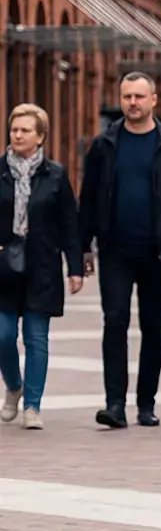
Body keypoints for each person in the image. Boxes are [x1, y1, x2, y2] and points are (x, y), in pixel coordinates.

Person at [79, 71, 161, 430]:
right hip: (114, 248)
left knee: (153, 327)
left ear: (152, 100)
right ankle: (115, 404)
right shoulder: (104, 144)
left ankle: (147, 403)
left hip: (157, 252)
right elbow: (88, 197)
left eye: (139, 97)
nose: (132, 102)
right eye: (127, 96)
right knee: (114, 321)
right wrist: (83, 246)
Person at [0, 104, 83, 431]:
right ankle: (14, 386)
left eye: (24, 130)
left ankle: (32, 406)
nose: (17, 135)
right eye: (14, 129)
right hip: (4, 266)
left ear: (40, 136)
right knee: (3, 335)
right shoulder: (0, 171)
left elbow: (69, 224)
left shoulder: (56, 175)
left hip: (42, 266)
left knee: (37, 339)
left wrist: (75, 266)